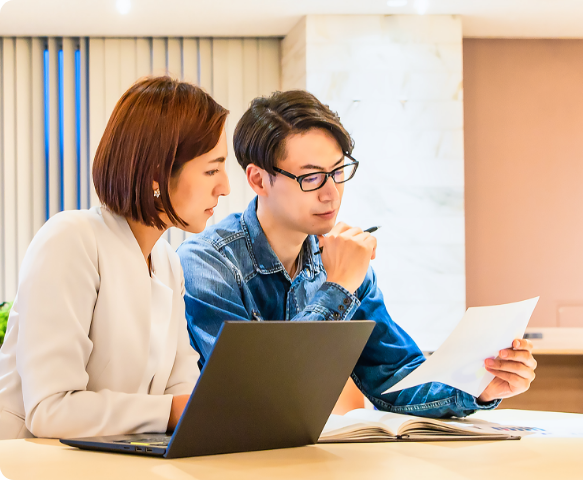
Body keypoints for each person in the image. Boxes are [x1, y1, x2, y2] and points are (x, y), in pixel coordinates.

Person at [178, 90, 537, 418]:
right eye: (312, 177)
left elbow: (393, 375)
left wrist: (478, 386)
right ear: (258, 180)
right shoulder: (206, 262)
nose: (331, 193)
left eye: (338, 172)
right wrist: (338, 287)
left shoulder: (342, 256)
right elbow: (256, 397)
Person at [0, 76, 230, 439]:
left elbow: (181, 389)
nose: (225, 187)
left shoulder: (167, 262)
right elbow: (50, 409)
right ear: (157, 173)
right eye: (211, 170)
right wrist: (171, 411)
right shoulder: (71, 239)